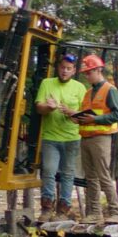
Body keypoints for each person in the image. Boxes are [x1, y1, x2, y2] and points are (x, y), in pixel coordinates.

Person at [35, 53, 87, 222]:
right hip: (51, 137)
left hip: (72, 138)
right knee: (49, 171)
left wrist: (72, 113)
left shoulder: (80, 88)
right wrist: (48, 108)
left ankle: (63, 211)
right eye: (62, 67)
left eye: (68, 69)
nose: (65, 71)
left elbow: (85, 115)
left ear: (73, 71)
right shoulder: (47, 83)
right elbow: (38, 108)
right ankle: (46, 209)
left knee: (67, 174)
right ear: (58, 68)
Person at [75, 55, 118, 224]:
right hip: (86, 138)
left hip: (101, 138)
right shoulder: (88, 93)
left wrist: (95, 120)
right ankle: (95, 213)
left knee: (103, 176)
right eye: (86, 73)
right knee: (91, 177)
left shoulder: (110, 90)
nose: (87, 76)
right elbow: (87, 114)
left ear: (98, 70)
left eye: (89, 73)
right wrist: (76, 118)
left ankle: (115, 212)